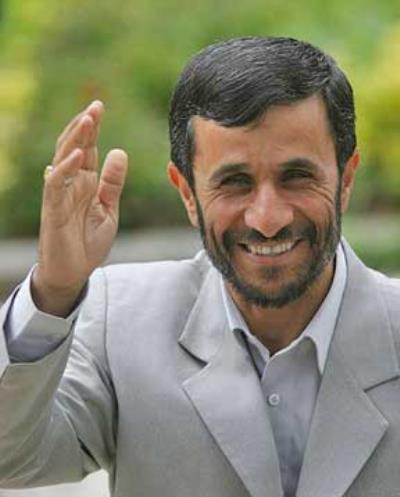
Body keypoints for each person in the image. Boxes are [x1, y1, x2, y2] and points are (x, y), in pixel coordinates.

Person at [0, 36, 399, 497]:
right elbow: (11, 459)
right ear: (187, 193)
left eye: (296, 177)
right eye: (235, 182)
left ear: (345, 180)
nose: (267, 218)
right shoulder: (119, 323)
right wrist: (54, 289)